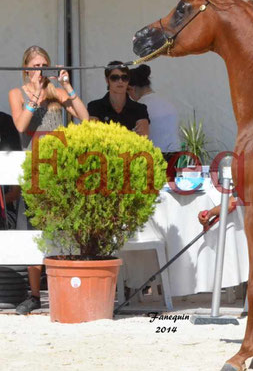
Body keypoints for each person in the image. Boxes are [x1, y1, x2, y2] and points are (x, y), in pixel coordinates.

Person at [7, 45, 89, 315]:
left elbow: (84, 117)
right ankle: (33, 294)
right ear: (27, 68)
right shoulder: (16, 93)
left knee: (62, 228)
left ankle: (65, 285)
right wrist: (36, 96)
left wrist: (67, 86)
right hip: (34, 168)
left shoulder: (55, 91)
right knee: (32, 232)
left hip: (59, 168)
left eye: (45, 66)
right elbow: (20, 126)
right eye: (37, 66)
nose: (41, 71)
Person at [127, 64, 180, 161]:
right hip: (176, 158)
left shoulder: (139, 108)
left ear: (132, 88)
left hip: (154, 159)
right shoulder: (167, 103)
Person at [87, 61, 150, 136]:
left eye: (124, 77)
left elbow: (143, 139)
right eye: (115, 78)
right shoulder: (94, 107)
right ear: (107, 80)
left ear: (128, 80)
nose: (120, 81)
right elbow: (93, 136)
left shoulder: (140, 109)